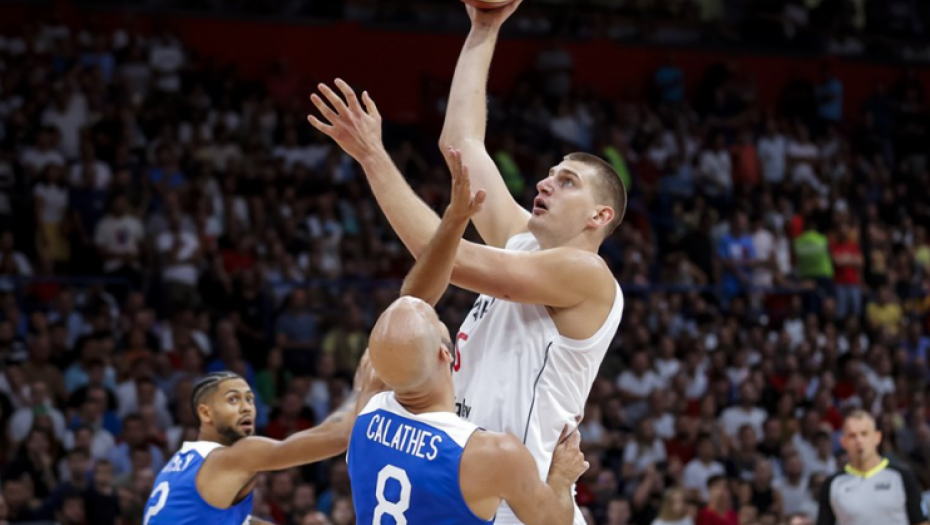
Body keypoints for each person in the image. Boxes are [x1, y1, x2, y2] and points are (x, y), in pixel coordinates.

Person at [307, 5, 624, 525]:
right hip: (464, 478)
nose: (545, 183)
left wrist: (373, 157)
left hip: (519, 505)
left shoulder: (588, 277)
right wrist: (484, 28)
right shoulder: (523, 242)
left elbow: (448, 256)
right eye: (549, 174)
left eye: (567, 181)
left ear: (600, 215)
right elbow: (462, 144)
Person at [349, 149, 589, 525]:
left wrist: (455, 220)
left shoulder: (366, 414)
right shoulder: (492, 453)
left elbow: (411, 302)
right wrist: (562, 476)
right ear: (446, 355)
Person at [142, 358, 381, 524]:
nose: (246, 408)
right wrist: (361, 389)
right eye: (233, 400)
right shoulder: (231, 457)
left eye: (250, 399)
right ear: (205, 413)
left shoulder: (176, 466)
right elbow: (336, 438)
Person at [816, 410, 929, 525]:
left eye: (864, 434)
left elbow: (921, 522)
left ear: (877, 437)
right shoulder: (833, 485)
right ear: (843, 442)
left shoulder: (902, 477)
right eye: (852, 436)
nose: (859, 441)